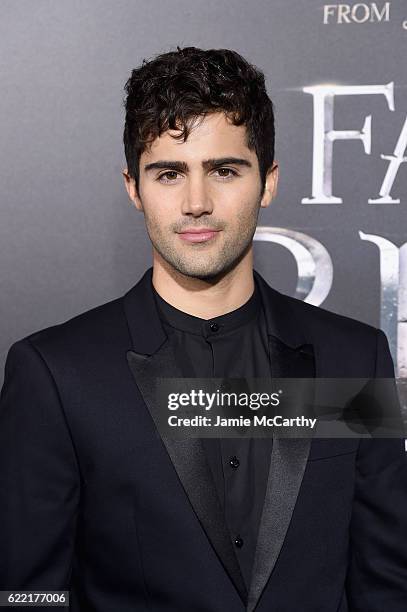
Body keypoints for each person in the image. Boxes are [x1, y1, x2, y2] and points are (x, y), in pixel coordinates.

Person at [0, 46, 406, 612]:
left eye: (224, 170)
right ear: (133, 187)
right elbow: (30, 594)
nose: (196, 202)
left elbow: (385, 583)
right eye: (169, 173)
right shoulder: (57, 373)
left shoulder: (355, 359)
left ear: (267, 181)